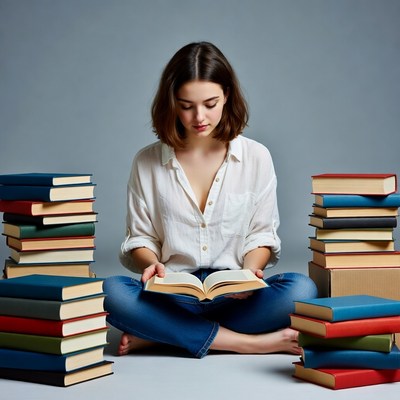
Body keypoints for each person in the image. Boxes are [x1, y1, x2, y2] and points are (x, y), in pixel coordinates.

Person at [104, 41, 317, 359]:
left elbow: (261, 233)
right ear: (172, 103)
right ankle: (246, 343)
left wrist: (250, 274)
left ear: (227, 95)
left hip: (236, 296)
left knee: (301, 290)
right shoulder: (146, 161)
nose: (199, 116)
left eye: (210, 103)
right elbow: (140, 238)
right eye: (186, 105)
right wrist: (152, 266)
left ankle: (165, 334)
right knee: (111, 292)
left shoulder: (256, 157)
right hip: (172, 294)